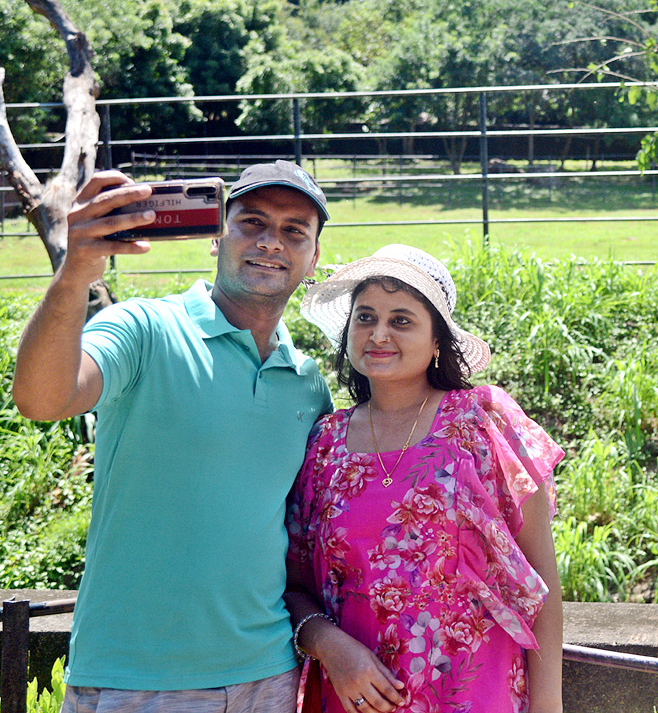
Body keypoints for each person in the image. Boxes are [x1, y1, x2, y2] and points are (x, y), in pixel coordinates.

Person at [13, 160, 334, 711]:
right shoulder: (144, 328)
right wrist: (74, 275)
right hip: (135, 680)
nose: (269, 242)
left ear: (313, 258)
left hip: (270, 674)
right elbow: (44, 399)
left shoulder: (307, 385)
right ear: (218, 237)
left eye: (293, 231)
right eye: (251, 222)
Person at [285, 244, 564, 713]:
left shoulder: (482, 422)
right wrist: (329, 645)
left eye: (401, 320)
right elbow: (294, 586)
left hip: (478, 695)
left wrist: (549, 705)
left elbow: (542, 583)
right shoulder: (322, 446)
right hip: (356, 697)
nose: (378, 334)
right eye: (366, 317)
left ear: (437, 340)